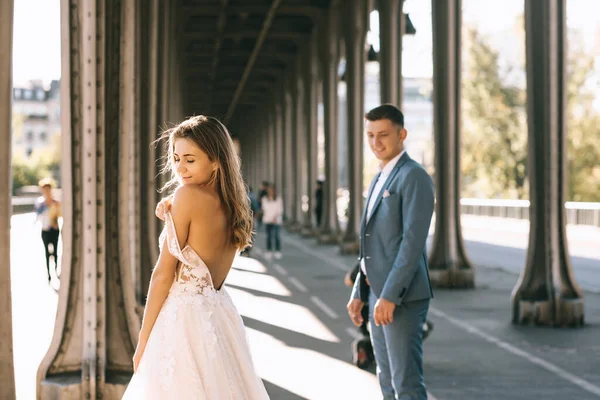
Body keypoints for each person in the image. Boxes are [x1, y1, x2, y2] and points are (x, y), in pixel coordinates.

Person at [122, 115, 269, 399]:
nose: (180, 168)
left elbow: (163, 275)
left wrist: (143, 343)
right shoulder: (233, 205)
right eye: (176, 158)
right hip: (218, 315)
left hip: (183, 320)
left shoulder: (187, 196)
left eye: (190, 159)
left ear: (216, 160)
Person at [347, 104, 434, 400]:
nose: (376, 142)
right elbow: (370, 242)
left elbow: (412, 243)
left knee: (406, 383)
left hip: (401, 298)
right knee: (385, 380)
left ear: (402, 134)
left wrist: (389, 296)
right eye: (370, 135)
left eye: (383, 134)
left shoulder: (414, 176)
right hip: (377, 296)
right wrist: (360, 291)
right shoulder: (378, 177)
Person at [35, 178, 61, 283]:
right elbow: (38, 215)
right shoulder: (40, 203)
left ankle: (55, 268)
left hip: (54, 229)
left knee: (55, 251)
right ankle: (49, 274)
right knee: (46, 251)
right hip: (45, 229)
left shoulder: (56, 202)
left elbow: (60, 214)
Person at [261, 185, 283, 260]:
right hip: (267, 220)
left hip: (276, 221)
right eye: (269, 190)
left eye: (272, 190)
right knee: (268, 236)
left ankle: (277, 251)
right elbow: (264, 209)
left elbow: (279, 210)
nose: (271, 192)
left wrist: (275, 217)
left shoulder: (278, 199)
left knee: (276, 236)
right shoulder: (264, 199)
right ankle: (268, 251)